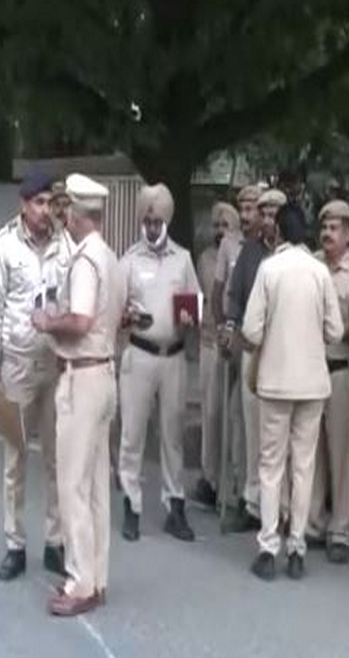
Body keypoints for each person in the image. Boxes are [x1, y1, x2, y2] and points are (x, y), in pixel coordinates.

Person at [33, 174, 125, 617]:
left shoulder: (86, 261)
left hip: (82, 375)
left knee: (72, 484)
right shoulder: (111, 258)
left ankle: (79, 581)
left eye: (66, 208)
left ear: (77, 213)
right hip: (105, 373)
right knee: (96, 488)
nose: (62, 215)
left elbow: (82, 320)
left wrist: (48, 322)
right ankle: (97, 576)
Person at [243, 203, 345, 580]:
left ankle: (268, 546)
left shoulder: (269, 269)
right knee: (303, 467)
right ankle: (297, 546)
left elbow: (252, 331)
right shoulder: (320, 272)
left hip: (275, 381)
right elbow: (335, 332)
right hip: (313, 382)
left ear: (280, 233)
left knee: (271, 467)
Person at [0, 171, 68, 582]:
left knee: (56, 456)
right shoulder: (6, 245)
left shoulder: (62, 243)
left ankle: (55, 541)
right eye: (38, 203)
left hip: (54, 363)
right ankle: (15, 544)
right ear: (23, 204)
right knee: (15, 459)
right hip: (17, 365)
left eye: (49, 203)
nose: (45, 210)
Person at [116, 183, 202, 542]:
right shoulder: (129, 260)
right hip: (139, 353)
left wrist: (190, 318)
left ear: (166, 220)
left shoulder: (182, 259)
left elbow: (196, 304)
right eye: (147, 221)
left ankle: (174, 504)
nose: (151, 227)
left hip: (173, 356)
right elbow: (113, 310)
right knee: (132, 433)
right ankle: (132, 506)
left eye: (157, 221)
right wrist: (127, 315)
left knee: (172, 434)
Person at [308, 200, 349, 564]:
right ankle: (314, 522)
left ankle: (341, 529)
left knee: (342, 452)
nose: (327, 233)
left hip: (341, 369)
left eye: (334, 228)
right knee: (311, 450)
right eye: (324, 227)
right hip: (310, 369)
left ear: (348, 234)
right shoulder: (312, 267)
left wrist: (329, 323)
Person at [223, 187, 282, 532]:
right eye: (265, 214)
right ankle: (252, 500)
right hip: (253, 349)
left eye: (275, 214)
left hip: (286, 354)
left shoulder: (297, 255)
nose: (269, 220)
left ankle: (281, 506)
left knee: (279, 434)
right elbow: (234, 295)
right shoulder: (249, 252)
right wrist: (231, 326)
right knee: (251, 429)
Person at [193, 201, 242, 510]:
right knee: (211, 412)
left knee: (234, 416)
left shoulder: (243, 253)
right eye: (216, 226)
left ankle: (233, 481)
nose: (220, 231)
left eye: (226, 226)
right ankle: (209, 477)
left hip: (237, 341)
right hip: (210, 340)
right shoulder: (207, 259)